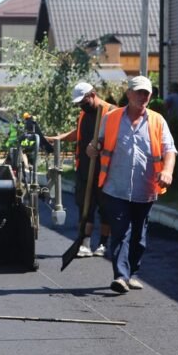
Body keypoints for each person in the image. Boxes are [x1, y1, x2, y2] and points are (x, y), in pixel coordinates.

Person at [87, 75, 177, 294]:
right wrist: (93, 148)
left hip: (145, 189)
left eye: (146, 93)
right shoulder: (112, 118)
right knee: (121, 232)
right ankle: (120, 276)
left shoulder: (157, 121)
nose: (142, 96)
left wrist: (167, 170)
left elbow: (170, 150)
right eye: (138, 92)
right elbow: (97, 144)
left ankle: (133, 273)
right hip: (115, 188)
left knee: (139, 236)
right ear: (128, 94)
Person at [46, 82, 114, 258]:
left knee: (106, 209)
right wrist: (58, 138)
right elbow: (80, 133)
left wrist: (100, 146)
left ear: (92, 94)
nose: (81, 105)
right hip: (85, 169)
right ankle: (84, 243)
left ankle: (103, 244)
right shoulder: (85, 113)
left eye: (83, 101)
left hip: (106, 171)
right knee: (85, 207)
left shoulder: (112, 112)